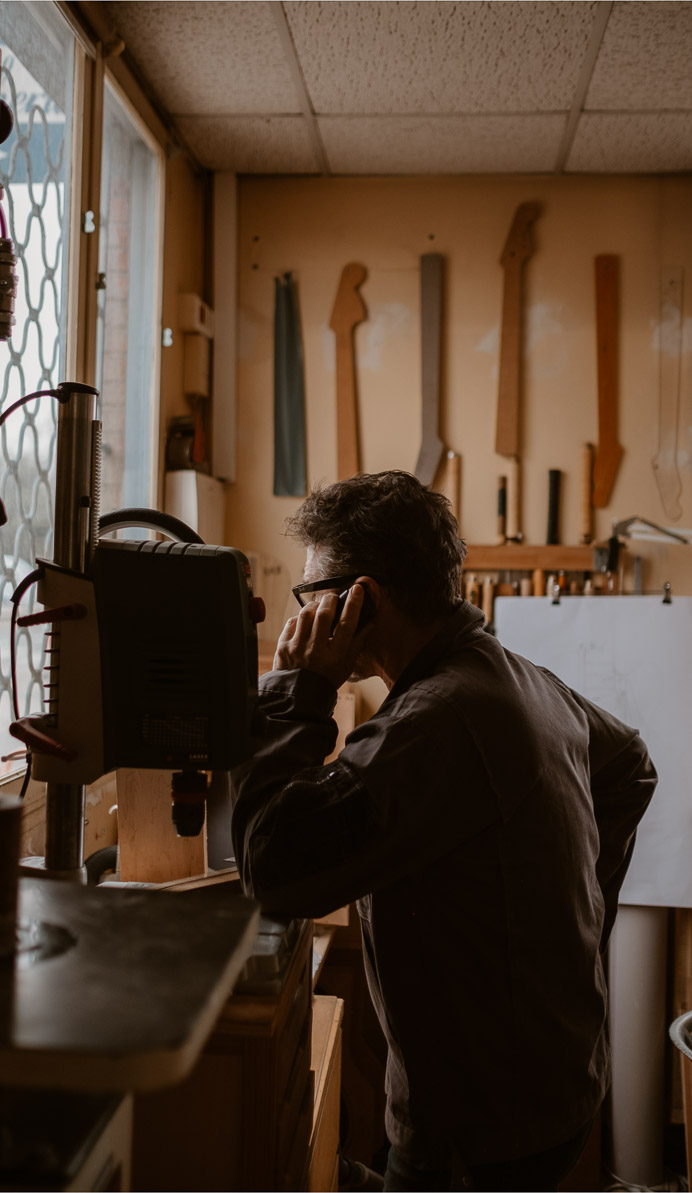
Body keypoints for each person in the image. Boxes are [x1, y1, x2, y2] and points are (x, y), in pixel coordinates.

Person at [230, 471, 656, 1192]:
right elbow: (629, 766)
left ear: (362, 598)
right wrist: (565, 927)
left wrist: (299, 690)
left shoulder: (440, 718)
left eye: (313, 597)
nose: (304, 617)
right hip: (549, 1091)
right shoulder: (510, 675)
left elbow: (272, 867)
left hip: (478, 1129)